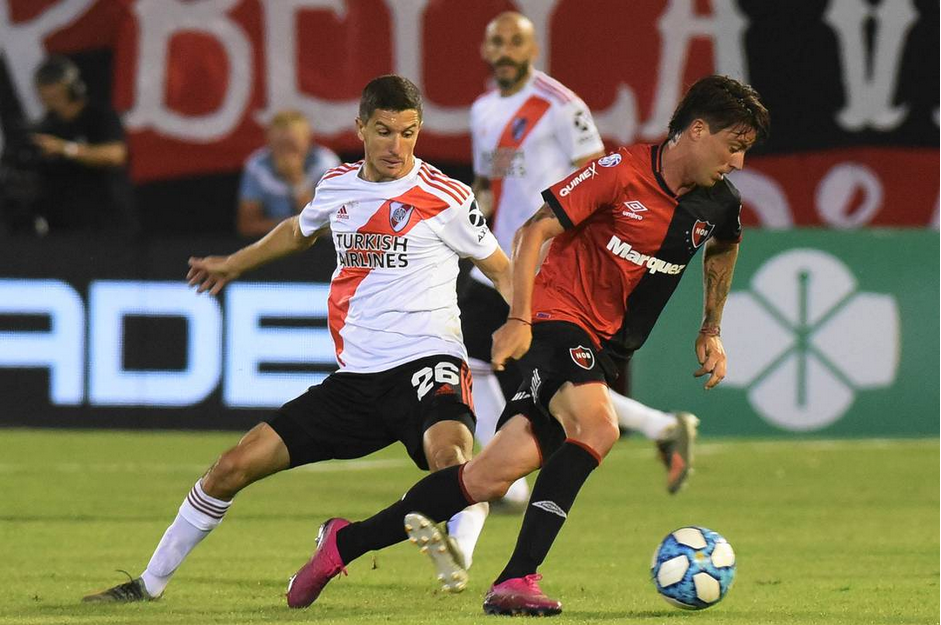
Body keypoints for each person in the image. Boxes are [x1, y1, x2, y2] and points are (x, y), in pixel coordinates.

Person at [281, 74, 770, 617]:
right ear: (697, 130)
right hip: (558, 319)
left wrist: (711, 328)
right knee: (599, 426)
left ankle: (342, 544)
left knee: (487, 478)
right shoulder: (619, 171)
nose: (738, 163)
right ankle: (517, 577)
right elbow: (532, 232)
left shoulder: (719, 203)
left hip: (607, 349)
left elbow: (723, 249)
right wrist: (519, 317)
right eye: (734, 147)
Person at [82, 74, 510, 603]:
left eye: (408, 133)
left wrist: (532, 322)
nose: (397, 146)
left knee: (453, 457)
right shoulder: (337, 186)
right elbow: (297, 230)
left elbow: (502, 270)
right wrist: (234, 263)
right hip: (355, 381)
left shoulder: (446, 197)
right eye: (384, 132)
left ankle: (458, 552)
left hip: (428, 362)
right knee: (232, 467)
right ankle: (148, 585)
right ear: (360, 128)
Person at [463, 11, 698, 515]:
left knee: (521, 369)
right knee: (498, 365)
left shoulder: (560, 106)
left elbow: (596, 175)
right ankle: (658, 426)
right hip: (497, 257)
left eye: (514, 42)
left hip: (542, 259)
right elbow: (488, 184)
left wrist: (573, 250)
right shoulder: (483, 109)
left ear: (532, 50)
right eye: (496, 42)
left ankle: (504, 483)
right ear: (485, 50)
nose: (504, 51)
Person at [29, 55, 135, 233]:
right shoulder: (47, 125)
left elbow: (116, 154)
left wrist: (65, 149)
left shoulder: (99, 116)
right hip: (63, 226)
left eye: (54, 89)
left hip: (105, 222)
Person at [237, 110, 340, 237]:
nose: (286, 155)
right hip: (271, 243)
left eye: (292, 146)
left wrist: (297, 180)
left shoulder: (325, 164)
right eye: (280, 146)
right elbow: (247, 225)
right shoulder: (257, 167)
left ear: (307, 141)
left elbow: (328, 225)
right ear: (268, 141)